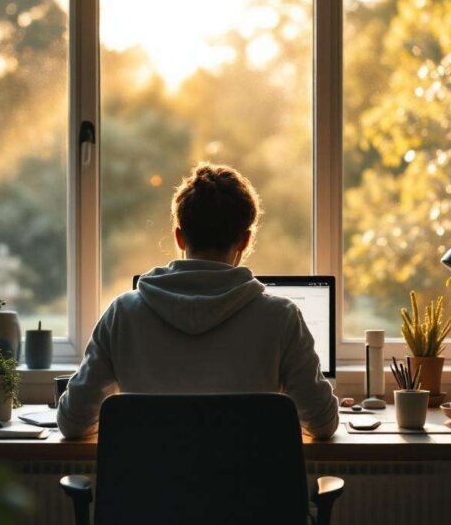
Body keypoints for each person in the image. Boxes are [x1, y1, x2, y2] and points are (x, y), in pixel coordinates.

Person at [56, 163, 339, 439]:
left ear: (179, 237)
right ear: (245, 240)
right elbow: (322, 424)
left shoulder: (123, 314)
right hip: (245, 474)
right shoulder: (281, 317)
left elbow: (73, 422)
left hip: (153, 474)